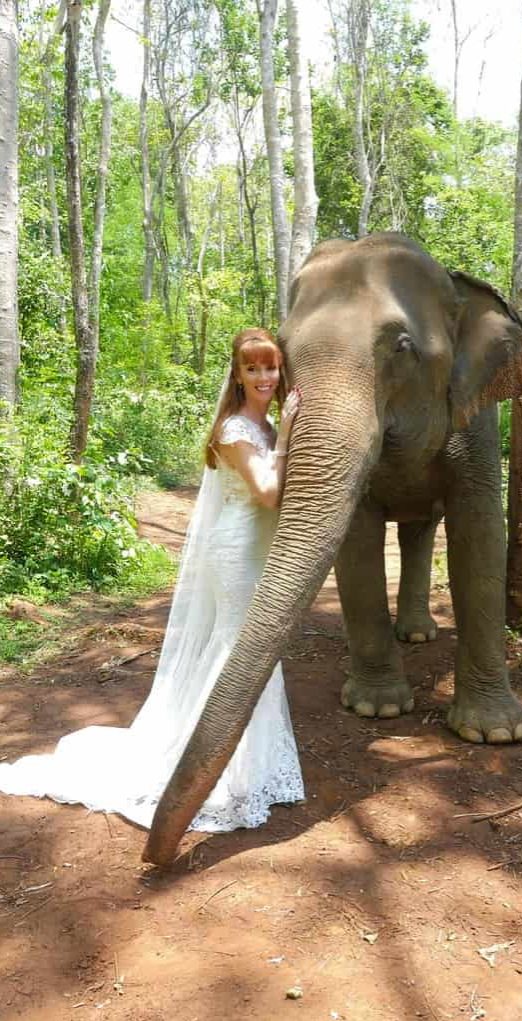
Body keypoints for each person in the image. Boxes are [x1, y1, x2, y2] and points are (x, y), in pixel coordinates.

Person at [0, 328, 305, 832]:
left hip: (253, 548)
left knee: (250, 648)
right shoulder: (234, 430)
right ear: (237, 373)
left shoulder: (263, 424)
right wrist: (289, 433)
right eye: (252, 368)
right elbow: (270, 493)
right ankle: (219, 770)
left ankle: (255, 766)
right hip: (234, 553)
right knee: (239, 650)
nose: (263, 377)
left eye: (270, 367)